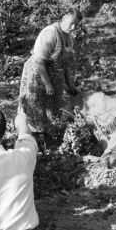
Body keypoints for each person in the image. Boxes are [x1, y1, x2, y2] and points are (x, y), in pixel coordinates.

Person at [18, 8, 82, 137]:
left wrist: (69, 84)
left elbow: (66, 64)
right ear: (64, 18)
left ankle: (49, 137)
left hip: (54, 78)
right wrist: (47, 83)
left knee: (52, 111)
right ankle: (32, 138)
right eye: (72, 23)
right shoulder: (50, 33)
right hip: (38, 77)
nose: (74, 27)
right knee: (35, 110)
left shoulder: (69, 37)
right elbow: (39, 61)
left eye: (77, 25)